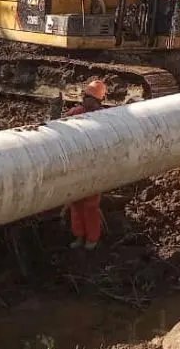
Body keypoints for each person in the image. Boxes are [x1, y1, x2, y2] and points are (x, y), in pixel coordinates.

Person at [65, 79, 108, 250]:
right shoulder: (75, 113)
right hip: (77, 166)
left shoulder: (105, 118)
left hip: (93, 168)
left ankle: (92, 238)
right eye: (86, 96)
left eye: (90, 97)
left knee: (90, 206)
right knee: (76, 205)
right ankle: (80, 236)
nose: (86, 100)